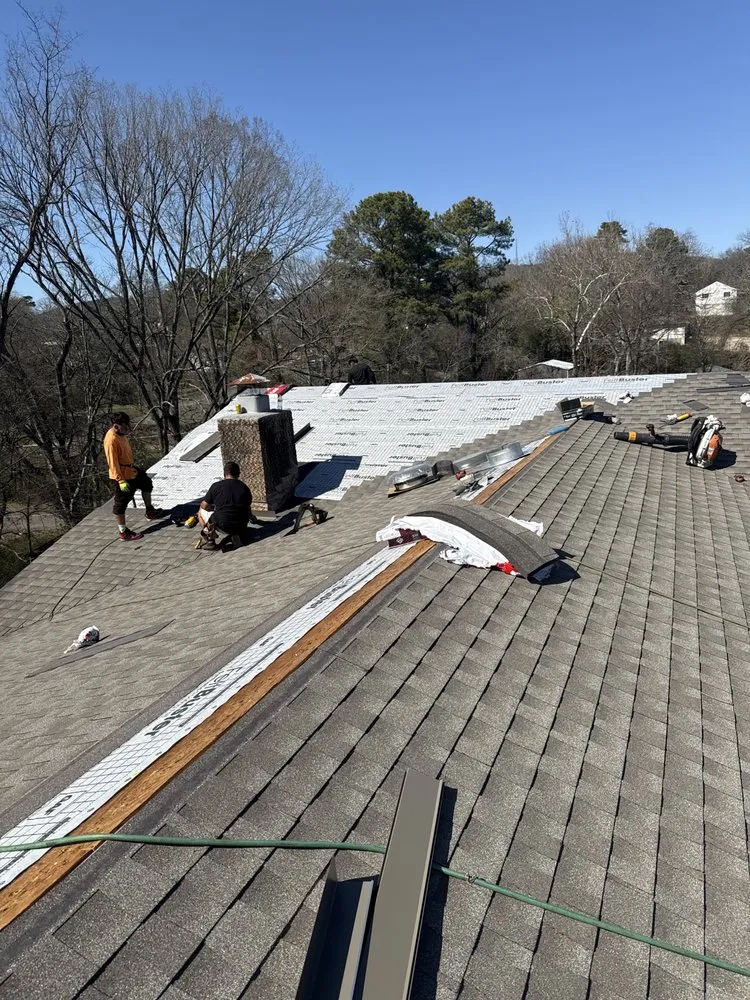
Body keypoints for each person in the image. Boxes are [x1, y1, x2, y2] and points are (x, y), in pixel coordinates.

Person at [104, 412, 167, 541]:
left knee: (146, 483)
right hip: (122, 475)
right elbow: (112, 462)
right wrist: (120, 480)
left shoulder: (121, 434)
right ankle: (123, 532)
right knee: (120, 504)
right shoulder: (111, 440)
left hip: (131, 469)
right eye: (125, 426)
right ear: (116, 426)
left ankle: (150, 511)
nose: (127, 428)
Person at [197, 461, 254, 548]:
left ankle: (210, 541)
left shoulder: (216, 486)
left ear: (224, 474)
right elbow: (247, 507)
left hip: (223, 524)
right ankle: (236, 535)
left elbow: (204, 506)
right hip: (241, 525)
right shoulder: (244, 487)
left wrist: (212, 508)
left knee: (200, 512)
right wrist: (252, 518)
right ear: (238, 474)